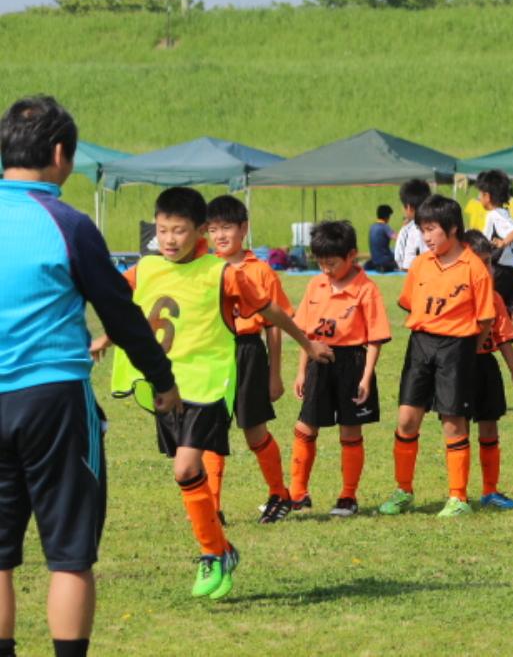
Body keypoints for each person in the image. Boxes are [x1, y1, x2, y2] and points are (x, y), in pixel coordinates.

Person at [0, 96, 176, 657]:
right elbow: (119, 313)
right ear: (60, 154)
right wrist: (162, 379)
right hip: (53, 400)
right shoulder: (68, 225)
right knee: (70, 556)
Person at [105, 187, 332, 600]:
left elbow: (270, 311)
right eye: (162, 230)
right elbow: (115, 299)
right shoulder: (146, 268)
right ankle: (222, 548)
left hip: (211, 382)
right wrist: (105, 335)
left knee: (190, 465)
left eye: (179, 230)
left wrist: (307, 344)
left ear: (199, 231)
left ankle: (213, 552)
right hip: (168, 384)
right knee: (187, 471)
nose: (169, 239)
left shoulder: (224, 273)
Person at [381, 195, 495, 518]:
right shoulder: (420, 264)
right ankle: (403, 490)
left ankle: (458, 497)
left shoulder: (474, 268)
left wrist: (467, 349)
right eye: (422, 230)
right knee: (407, 418)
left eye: (431, 229)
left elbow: (486, 319)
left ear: (453, 228)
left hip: (457, 347)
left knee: (453, 422)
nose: (426, 237)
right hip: (420, 344)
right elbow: (409, 303)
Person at [289, 220, 391, 518]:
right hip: (318, 359)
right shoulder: (315, 284)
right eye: (320, 263)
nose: (326, 269)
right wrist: (301, 371)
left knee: (350, 429)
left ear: (352, 255)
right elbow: (306, 333)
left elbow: (375, 338)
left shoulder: (366, 289)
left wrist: (366, 377)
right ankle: (297, 493)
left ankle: (348, 496)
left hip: (352, 363)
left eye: (331, 263)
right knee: (305, 426)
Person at [205, 195, 295, 524]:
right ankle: (212, 507)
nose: (220, 235)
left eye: (226, 228)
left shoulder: (262, 272)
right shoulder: (206, 269)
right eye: (213, 229)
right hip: (214, 353)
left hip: (248, 352)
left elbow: (274, 325)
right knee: (210, 429)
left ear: (243, 229)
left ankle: (279, 494)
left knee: (254, 430)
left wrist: (275, 374)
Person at [460, 231, 513, 509]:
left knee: (489, 425)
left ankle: (490, 490)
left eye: (488, 262)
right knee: (458, 428)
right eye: (479, 262)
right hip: (458, 366)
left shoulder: (495, 297)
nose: (486, 269)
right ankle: (458, 493)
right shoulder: (457, 296)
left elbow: (503, 338)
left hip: (485, 366)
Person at [477, 169, 513, 316]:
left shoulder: (494, 215)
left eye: (480, 194)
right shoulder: (502, 213)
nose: (478, 198)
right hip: (512, 271)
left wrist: (503, 242)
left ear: (487, 196)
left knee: (489, 312)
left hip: (499, 271)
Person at [392, 179, 431, 271]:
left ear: (409, 207)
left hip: (417, 276)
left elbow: (402, 263)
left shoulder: (407, 231)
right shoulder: (439, 225)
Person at [364, 205, 398, 272]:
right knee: (395, 250)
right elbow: (396, 238)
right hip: (385, 260)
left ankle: (379, 266)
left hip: (375, 259)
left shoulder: (372, 227)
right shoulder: (385, 226)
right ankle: (385, 267)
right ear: (386, 217)